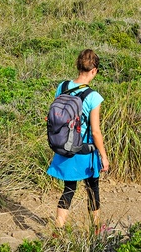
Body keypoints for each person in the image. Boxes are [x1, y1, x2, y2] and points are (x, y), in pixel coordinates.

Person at [47, 49, 110, 230]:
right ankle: (97, 230)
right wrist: (104, 156)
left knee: (68, 189)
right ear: (94, 70)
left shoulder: (63, 86)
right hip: (85, 152)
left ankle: (58, 230)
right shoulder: (93, 96)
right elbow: (96, 131)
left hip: (65, 147)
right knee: (93, 190)